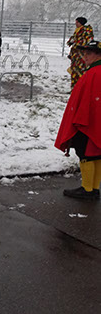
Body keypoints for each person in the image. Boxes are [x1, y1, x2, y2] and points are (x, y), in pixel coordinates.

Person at [55, 40, 101, 200]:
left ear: (98, 55)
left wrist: (77, 121)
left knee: (85, 153)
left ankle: (87, 189)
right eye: (84, 53)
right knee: (97, 154)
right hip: (97, 123)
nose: (85, 56)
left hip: (88, 123)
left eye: (89, 53)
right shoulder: (95, 71)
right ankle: (94, 188)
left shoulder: (93, 74)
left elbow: (86, 102)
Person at [66, 17, 94, 88]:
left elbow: (88, 40)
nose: (75, 23)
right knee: (74, 70)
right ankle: (74, 87)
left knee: (81, 70)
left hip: (82, 54)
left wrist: (80, 44)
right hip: (75, 54)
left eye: (77, 22)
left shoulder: (86, 30)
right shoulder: (77, 30)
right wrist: (71, 42)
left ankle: (81, 87)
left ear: (81, 23)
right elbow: (74, 38)